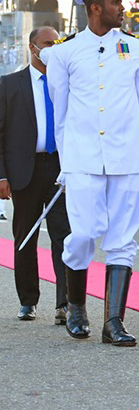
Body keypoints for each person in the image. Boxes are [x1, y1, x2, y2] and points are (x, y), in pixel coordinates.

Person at [40, 0, 139, 346]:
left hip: (127, 158)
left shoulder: (135, 49)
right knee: (84, 235)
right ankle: (76, 306)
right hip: (84, 159)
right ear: (94, 8)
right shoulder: (64, 52)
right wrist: (66, 161)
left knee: (121, 240)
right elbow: (62, 109)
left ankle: (114, 322)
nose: (122, 8)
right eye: (115, 3)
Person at [0, 26, 69, 323]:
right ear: (32, 47)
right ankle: (28, 300)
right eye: (47, 43)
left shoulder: (67, 82)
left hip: (60, 169)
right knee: (25, 237)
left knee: (64, 237)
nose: (52, 48)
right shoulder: (8, 84)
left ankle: (65, 303)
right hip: (24, 170)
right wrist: (2, 176)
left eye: (57, 43)